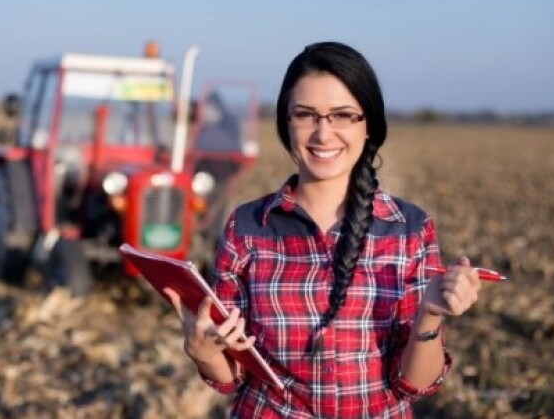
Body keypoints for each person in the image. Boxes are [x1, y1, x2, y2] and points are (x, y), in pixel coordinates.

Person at [164, 41, 482, 418]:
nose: (322, 133)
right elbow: (234, 376)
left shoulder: (409, 230)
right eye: (305, 114)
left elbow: (414, 384)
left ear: (369, 125)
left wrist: (429, 315)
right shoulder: (247, 227)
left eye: (343, 115)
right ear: (287, 122)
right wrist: (205, 354)